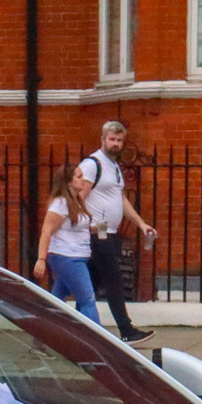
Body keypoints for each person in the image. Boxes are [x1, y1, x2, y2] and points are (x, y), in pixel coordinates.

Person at [78, 120, 159, 343]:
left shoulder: (114, 167)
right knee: (113, 279)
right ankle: (126, 330)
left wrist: (141, 224)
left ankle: (75, 329)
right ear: (102, 140)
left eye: (119, 140)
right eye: (112, 139)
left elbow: (120, 199)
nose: (115, 144)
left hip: (110, 233)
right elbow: (78, 199)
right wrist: (88, 225)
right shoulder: (92, 164)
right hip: (99, 232)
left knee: (90, 286)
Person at [33, 167, 101, 323]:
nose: (83, 179)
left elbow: (72, 227)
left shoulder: (77, 202)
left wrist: (94, 229)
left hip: (76, 256)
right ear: (69, 182)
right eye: (79, 176)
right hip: (67, 257)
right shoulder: (60, 203)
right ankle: (100, 343)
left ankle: (41, 336)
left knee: (56, 301)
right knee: (87, 300)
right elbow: (47, 230)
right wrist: (41, 259)